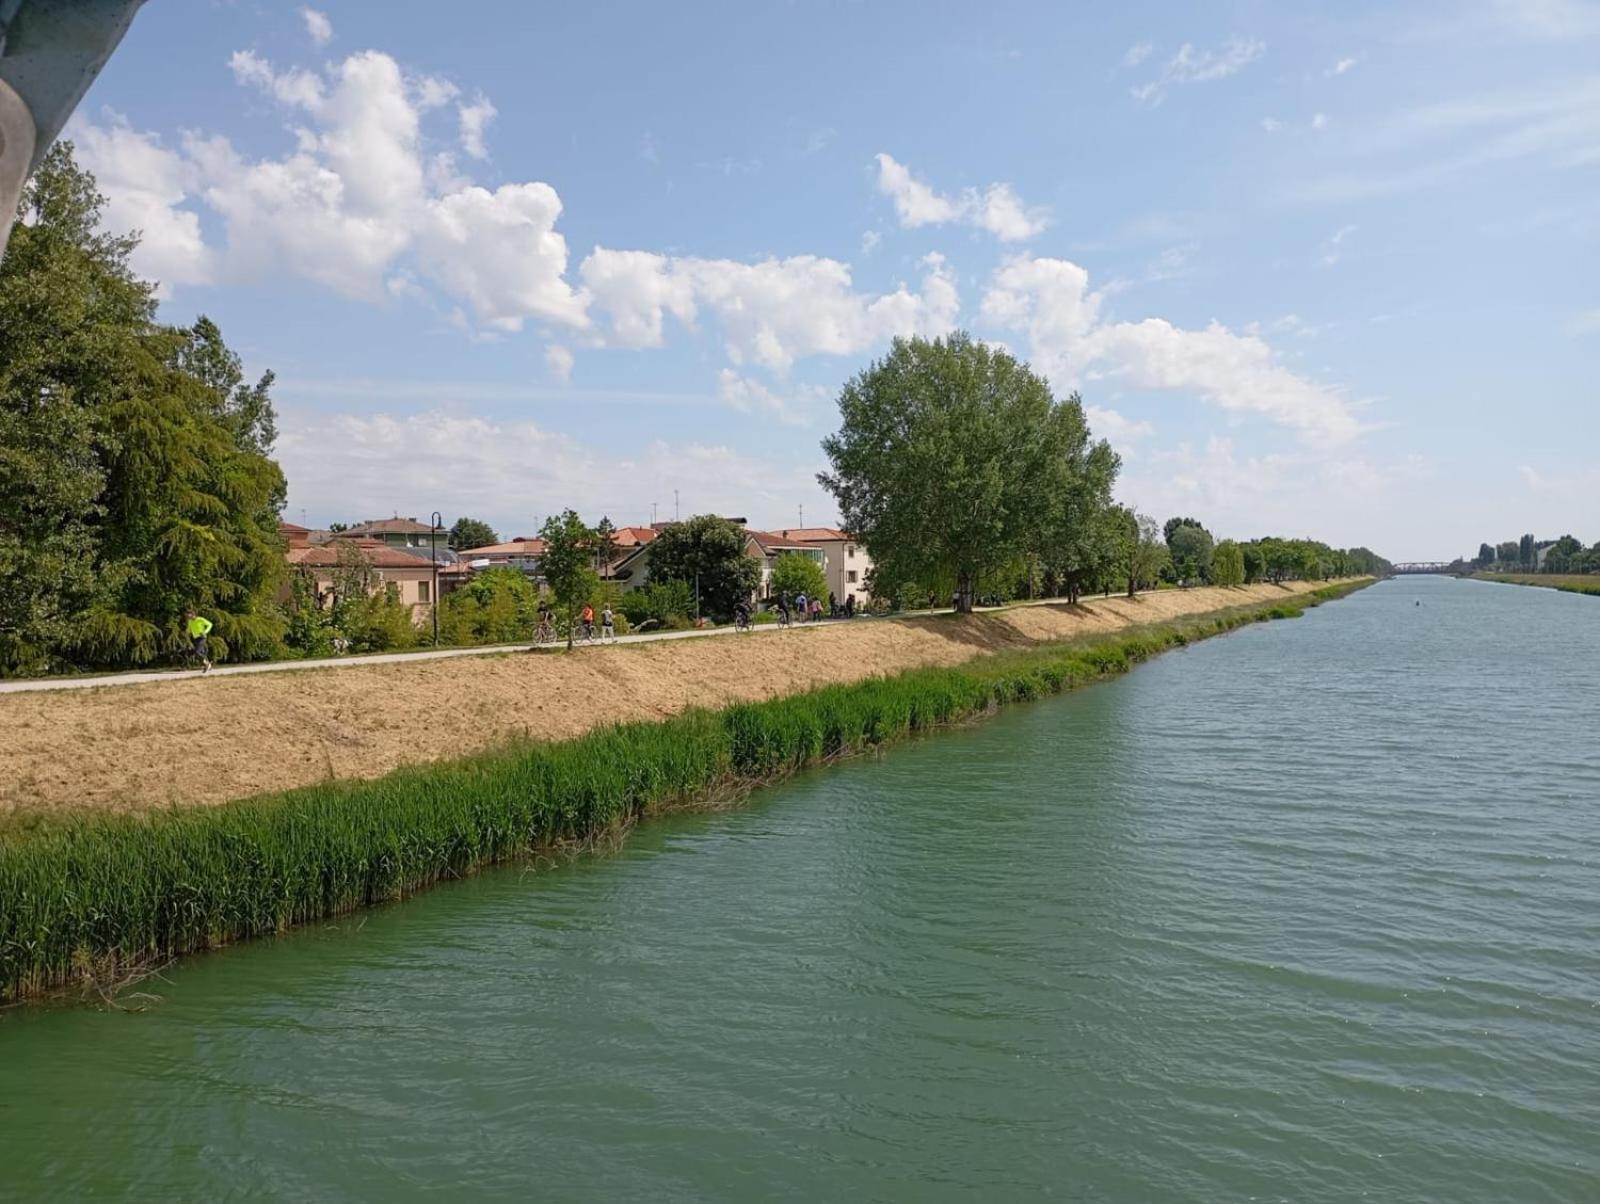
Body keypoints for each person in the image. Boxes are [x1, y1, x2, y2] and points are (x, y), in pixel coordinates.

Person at [184, 608, 213, 674]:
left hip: (202, 637)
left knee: (197, 652)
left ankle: (207, 664)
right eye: (187, 615)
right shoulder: (190, 621)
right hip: (195, 638)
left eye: (189, 615)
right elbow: (189, 629)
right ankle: (208, 665)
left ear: (193, 614)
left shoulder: (200, 619)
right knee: (201, 652)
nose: (188, 617)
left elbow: (210, 624)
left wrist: (205, 632)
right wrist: (187, 632)